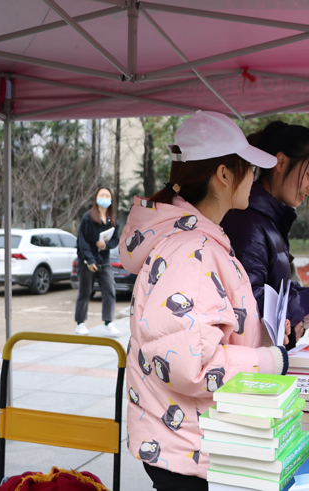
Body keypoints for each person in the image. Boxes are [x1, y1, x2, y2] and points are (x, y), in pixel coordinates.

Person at [119, 111, 289, 491]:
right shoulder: (191, 251)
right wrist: (269, 360)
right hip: (191, 451)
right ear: (224, 174)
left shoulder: (197, 241)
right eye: (249, 169)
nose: (254, 178)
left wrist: (263, 334)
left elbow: (200, 331)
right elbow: (191, 365)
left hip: (185, 443)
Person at [221, 121, 309, 349]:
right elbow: (249, 303)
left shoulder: (270, 220)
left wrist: (308, 301)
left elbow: (273, 288)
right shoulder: (250, 222)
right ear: (280, 162)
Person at [74, 186, 120, 336]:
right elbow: (82, 241)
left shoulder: (112, 219)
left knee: (109, 289)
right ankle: (80, 323)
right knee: (85, 292)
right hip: (87, 261)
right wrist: (90, 260)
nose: (105, 198)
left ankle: (108, 322)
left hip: (104, 260)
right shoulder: (88, 218)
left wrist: (106, 245)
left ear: (111, 199)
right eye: (102, 195)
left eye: (107, 195)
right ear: (96, 198)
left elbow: (116, 239)